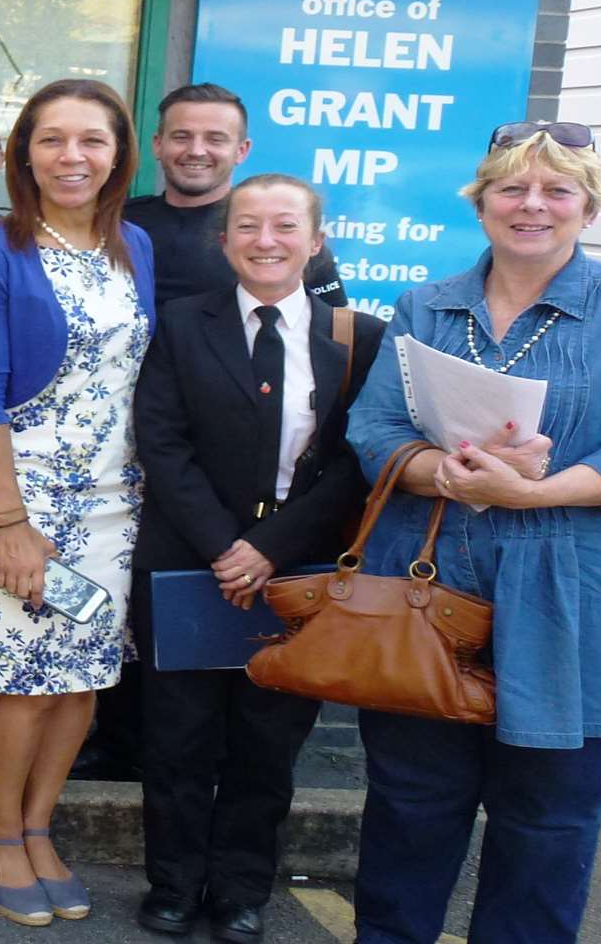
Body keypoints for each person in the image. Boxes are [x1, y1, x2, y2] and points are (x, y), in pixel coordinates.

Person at [343, 122, 601, 944]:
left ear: (588, 207)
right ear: (480, 203)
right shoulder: (427, 306)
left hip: (576, 602)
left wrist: (534, 492)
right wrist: (438, 471)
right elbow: (373, 428)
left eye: (557, 189)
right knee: (413, 806)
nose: (533, 205)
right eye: (512, 188)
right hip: (430, 586)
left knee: (547, 823)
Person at [130, 175, 385, 944]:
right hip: (190, 561)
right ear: (225, 240)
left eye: (284, 226)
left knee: (268, 743)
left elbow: (354, 462)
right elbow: (162, 444)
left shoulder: (355, 338)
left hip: (298, 568)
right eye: (247, 225)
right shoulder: (180, 323)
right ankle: (173, 884)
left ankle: (243, 889)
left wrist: (270, 549)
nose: (265, 240)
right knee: (177, 739)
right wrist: (224, 546)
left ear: (315, 240)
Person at [80, 82, 345, 783]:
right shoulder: (119, 225)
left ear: (241, 149)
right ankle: (122, 749)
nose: (197, 150)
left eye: (215, 138)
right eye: (182, 136)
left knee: (245, 701)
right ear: (158, 145)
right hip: (127, 467)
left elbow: (331, 383)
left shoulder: (296, 258)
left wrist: (254, 541)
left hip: (236, 491)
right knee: (143, 641)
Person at [0, 78, 154, 926]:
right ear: (24, 154)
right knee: (24, 681)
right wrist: (11, 523)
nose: (74, 157)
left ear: (116, 154)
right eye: (54, 140)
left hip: (115, 502)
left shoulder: (135, 244)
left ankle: (39, 828)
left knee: (83, 681)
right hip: (26, 503)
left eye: (92, 140)